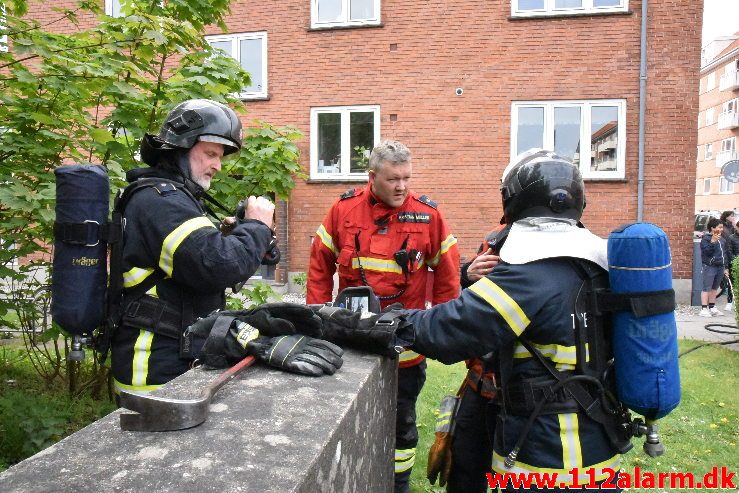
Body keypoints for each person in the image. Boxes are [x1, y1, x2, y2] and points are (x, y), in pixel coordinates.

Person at [306, 139, 460, 493]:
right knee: (345, 414)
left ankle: (397, 483)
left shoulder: (428, 216)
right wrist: (318, 320)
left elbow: (448, 280)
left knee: (401, 422)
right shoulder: (343, 210)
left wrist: (440, 330)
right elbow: (318, 268)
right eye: (393, 179)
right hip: (350, 341)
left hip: (403, 348)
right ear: (372, 176)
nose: (402, 186)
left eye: (406, 178)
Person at [110, 99, 278, 394]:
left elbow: (202, 259)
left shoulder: (172, 199)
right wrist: (257, 227)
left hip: (174, 358)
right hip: (152, 371)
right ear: (180, 148)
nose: (218, 165)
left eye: (221, 156)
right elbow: (218, 265)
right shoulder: (160, 202)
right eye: (211, 153)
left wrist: (247, 238)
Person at [442, 227, 502, 493]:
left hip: (532, 399)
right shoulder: (496, 239)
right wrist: (467, 275)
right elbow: (468, 302)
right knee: (464, 468)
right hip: (481, 387)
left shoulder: (567, 246)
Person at [699, 217, 731, 318]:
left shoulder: (722, 240)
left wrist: (726, 267)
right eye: (719, 227)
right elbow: (706, 252)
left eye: (722, 227)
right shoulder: (706, 239)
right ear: (712, 228)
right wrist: (712, 241)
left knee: (714, 288)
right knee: (706, 288)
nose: (721, 229)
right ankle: (704, 308)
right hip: (710, 266)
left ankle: (712, 307)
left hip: (720, 266)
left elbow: (724, 254)